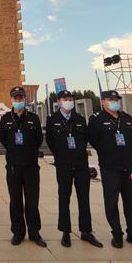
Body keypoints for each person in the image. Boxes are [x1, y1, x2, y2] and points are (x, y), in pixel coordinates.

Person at [88, 90, 132, 249]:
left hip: (129, 166)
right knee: (111, 201)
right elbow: (94, 140)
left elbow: (130, 141)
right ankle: (116, 233)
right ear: (103, 101)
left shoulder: (126, 118)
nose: (114, 102)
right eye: (110, 99)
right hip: (110, 167)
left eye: (116, 99)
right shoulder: (96, 119)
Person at [46, 90, 102, 248]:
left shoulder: (79, 119)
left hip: (81, 165)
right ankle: (65, 232)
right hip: (63, 165)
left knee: (84, 198)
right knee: (64, 198)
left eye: (70, 98)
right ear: (59, 101)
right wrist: (61, 155)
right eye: (65, 98)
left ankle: (86, 231)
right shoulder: (53, 120)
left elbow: (85, 139)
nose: (68, 101)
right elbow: (50, 141)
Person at [0, 86, 46, 247]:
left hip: (31, 166)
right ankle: (18, 232)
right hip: (13, 167)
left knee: (32, 201)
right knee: (15, 201)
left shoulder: (33, 118)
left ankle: (34, 232)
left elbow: (38, 139)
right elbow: (3, 139)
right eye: (16, 98)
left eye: (21, 98)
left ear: (25, 99)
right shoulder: (6, 118)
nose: (18, 100)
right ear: (11, 100)